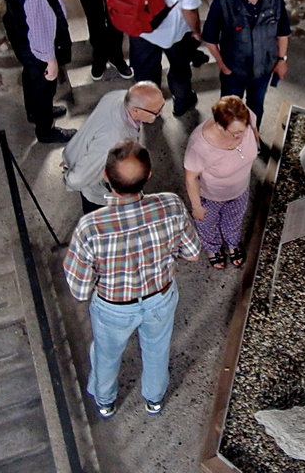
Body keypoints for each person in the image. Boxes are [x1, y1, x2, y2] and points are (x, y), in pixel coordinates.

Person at [63, 140, 202, 418]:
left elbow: (79, 289)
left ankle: (105, 401)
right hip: (160, 298)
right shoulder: (171, 205)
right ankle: (154, 399)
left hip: (113, 308)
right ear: (149, 175)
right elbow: (192, 253)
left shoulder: (91, 227)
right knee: (157, 350)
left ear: (105, 175)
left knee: (106, 355)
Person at [0, 0, 76, 144]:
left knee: (31, 78)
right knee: (44, 86)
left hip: (21, 38)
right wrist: (50, 60)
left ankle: (35, 112)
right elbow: (40, 31)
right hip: (35, 47)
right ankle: (46, 130)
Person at [202, 0, 290, 128]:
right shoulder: (223, 1)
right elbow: (210, 38)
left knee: (256, 107)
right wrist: (222, 65)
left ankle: (252, 137)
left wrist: (281, 59)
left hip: (263, 69)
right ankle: (227, 138)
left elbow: (283, 32)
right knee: (228, 111)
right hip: (233, 70)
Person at [62, 81, 166, 214]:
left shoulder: (117, 96)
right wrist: (68, 177)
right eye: (155, 112)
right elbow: (78, 179)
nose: (161, 113)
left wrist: (73, 155)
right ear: (136, 111)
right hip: (100, 197)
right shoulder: (113, 141)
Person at [184, 96, 259, 270]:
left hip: (240, 188)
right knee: (208, 225)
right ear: (219, 126)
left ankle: (233, 243)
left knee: (234, 220)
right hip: (211, 195)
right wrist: (196, 207)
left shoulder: (246, 117)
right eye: (236, 133)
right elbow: (191, 178)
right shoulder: (200, 146)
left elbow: (254, 129)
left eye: (244, 130)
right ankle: (213, 248)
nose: (242, 136)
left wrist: (255, 140)